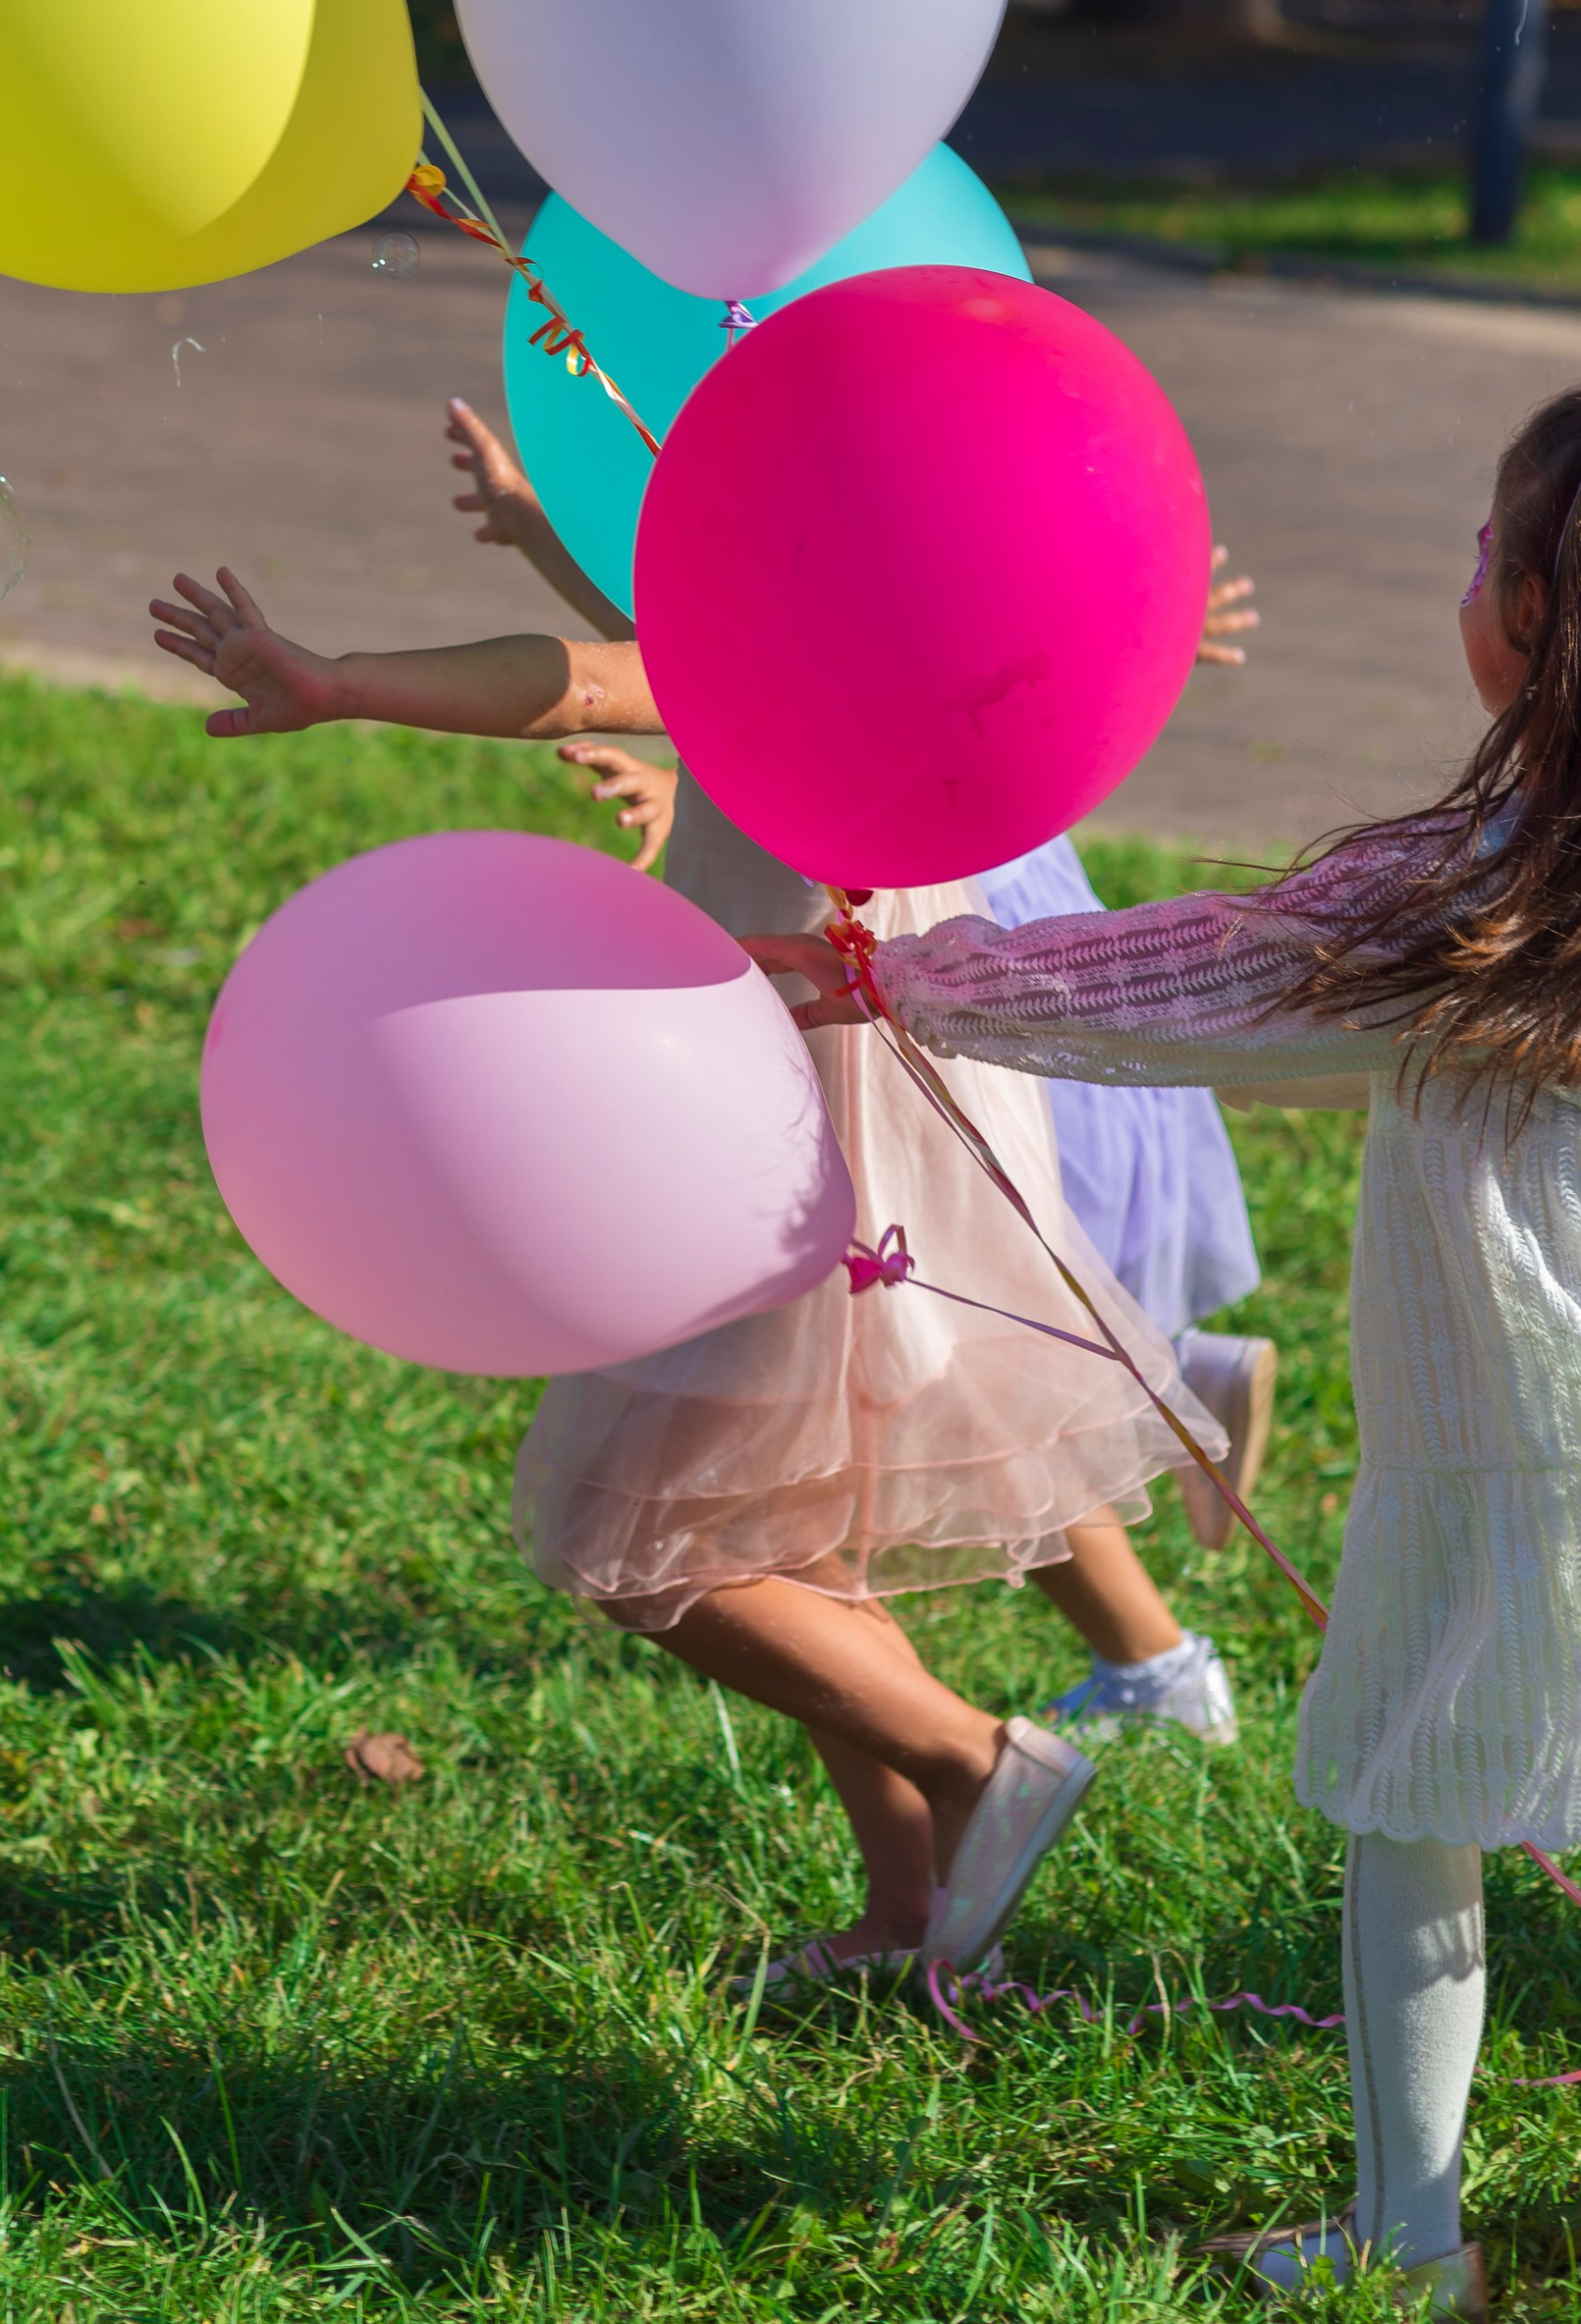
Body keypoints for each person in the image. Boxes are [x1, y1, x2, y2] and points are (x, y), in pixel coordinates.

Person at [739, 391, 1581, 2312]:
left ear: (1536, 611)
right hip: (1499, 1460)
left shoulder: (1479, 895)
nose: (1458, 578)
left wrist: (901, 981)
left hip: (1502, 1469)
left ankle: (1406, 2240)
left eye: (1476, 551)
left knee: (1413, 1808)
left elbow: (1183, 973)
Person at [148, 553, 1229, 1999]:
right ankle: (902, 1909)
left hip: (783, 1106)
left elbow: (597, 677)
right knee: (788, 1528)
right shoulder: (924, 618)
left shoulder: (806, 607)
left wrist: (344, 681)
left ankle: (977, 1761)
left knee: (625, 1533)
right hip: (860, 1092)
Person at [446, 389, 1279, 1625]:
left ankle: (1147, 1646)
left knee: (954, 1347)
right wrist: (531, 528)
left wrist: (346, 678)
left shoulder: (889, 673)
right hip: (936, 1007)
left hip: (934, 1013)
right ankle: (1167, 1430)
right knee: (963, 1328)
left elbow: (629, 674)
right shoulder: (840, 637)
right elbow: (656, 656)